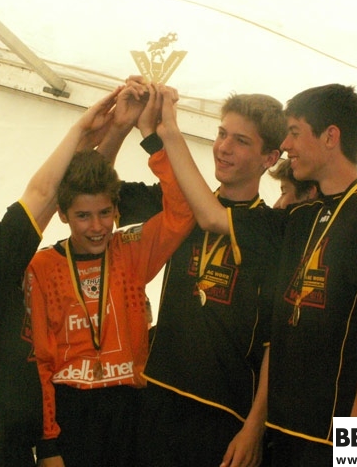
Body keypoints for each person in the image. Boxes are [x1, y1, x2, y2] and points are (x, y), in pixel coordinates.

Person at [157, 82, 357, 466]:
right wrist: (166, 133)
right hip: (280, 432)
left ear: (330, 137)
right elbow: (211, 216)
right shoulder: (295, 218)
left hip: (334, 440)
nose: (287, 145)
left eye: (294, 132)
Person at [0, 86, 125, 467]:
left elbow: (55, 199)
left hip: (5, 442)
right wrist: (80, 129)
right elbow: (41, 192)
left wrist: (97, 140)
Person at [99, 79, 286, 467]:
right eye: (221, 134)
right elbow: (93, 190)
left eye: (241, 141)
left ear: (270, 158)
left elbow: (276, 343)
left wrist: (254, 428)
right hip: (156, 393)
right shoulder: (177, 201)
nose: (223, 147)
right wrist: (120, 127)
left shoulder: (274, 228)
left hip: (222, 415)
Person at [26, 89, 195, 466]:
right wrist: (48, 445)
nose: (97, 226)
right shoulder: (42, 267)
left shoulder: (130, 249)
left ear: (116, 210)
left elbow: (183, 211)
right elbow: (40, 361)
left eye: (105, 213)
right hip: (72, 414)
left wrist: (153, 137)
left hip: (132, 410)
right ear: (63, 215)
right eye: (83, 216)